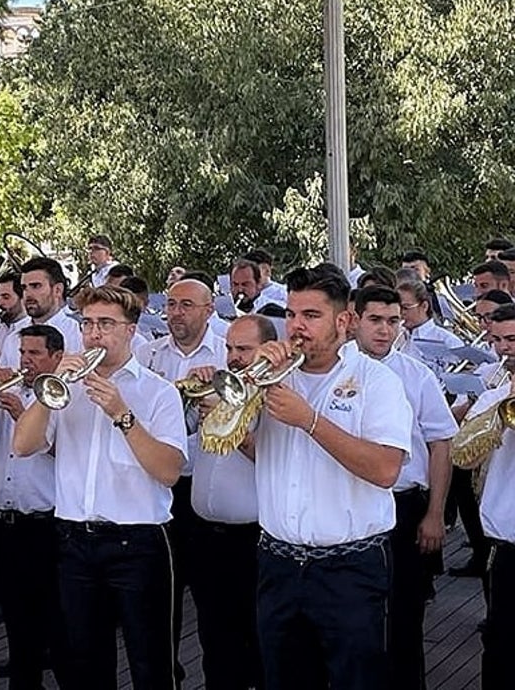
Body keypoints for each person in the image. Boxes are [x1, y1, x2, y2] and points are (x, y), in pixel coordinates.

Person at [243, 264, 412, 689]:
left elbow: (386, 469)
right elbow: (248, 449)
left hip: (349, 570)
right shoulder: (269, 377)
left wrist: (310, 421)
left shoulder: (378, 381)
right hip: (277, 565)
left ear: (344, 321)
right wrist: (245, 390)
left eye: (311, 316)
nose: (297, 326)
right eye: (292, 314)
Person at [12, 285, 186, 690]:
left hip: (138, 543)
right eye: (88, 324)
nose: (94, 334)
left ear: (131, 330)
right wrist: (49, 388)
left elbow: (169, 472)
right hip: (74, 540)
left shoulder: (158, 392)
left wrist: (122, 413)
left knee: (151, 665)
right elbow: (23, 445)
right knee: (84, 665)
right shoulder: (67, 387)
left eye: (106, 324)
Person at [347, 285, 456, 689]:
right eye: (375, 320)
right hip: (352, 504)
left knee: (406, 618)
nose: (385, 330)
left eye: (393, 321)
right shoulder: (336, 372)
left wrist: (435, 513)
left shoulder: (416, 373)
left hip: (405, 506)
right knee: (353, 617)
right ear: (353, 319)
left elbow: (441, 443)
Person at [135, 278, 227, 683]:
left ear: (209, 309)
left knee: (212, 604)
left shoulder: (230, 352)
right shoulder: (147, 353)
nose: (176, 313)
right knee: (160, 601)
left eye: (187, 305)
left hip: (207, 487)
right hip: (160, 488)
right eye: (171, 304)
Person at [179, 315, 276, 690]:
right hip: (204, 535)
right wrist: (195, 402)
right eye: (230, 348)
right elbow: (185, 447)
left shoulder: (276, 393)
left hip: (253, 539)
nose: (233, 357)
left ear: (267, 351)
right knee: (214, 636)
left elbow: (270, 459)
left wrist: (227, 419)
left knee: (260, 636)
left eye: (244, 349)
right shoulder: (217, 386)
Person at [0, 324, 64, 690]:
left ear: (56, 358)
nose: (26, 361)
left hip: (44, 523)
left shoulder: (63, 397)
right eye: (22, 353)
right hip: (4, 520)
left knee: (54, 615)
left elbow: (62, 453)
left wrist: (21, 413)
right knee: (14, 615)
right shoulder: (6, 389)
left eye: (34, 354)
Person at [458, 303, 515, 688]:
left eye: (513, 339)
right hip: (509, 545)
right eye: (500, 341)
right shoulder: (495, 397)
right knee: (503, 646)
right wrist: (500, 412)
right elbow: (463, 456)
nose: (505, 349)